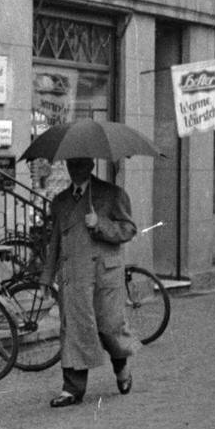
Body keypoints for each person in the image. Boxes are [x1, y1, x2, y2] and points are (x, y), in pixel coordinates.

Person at [39, 156, 140, 407]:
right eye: (71, 165)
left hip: (103, 275)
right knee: (74, 328)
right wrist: (46, 277)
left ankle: (121, 367)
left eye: (81, 165)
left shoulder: (112, 194)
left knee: (108, 328)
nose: (75, 170)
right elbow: (55, 242)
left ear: (91, 166)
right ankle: (72, 388)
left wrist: (100, 224)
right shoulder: (61, 202)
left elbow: (128, 229)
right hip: (73, 275)